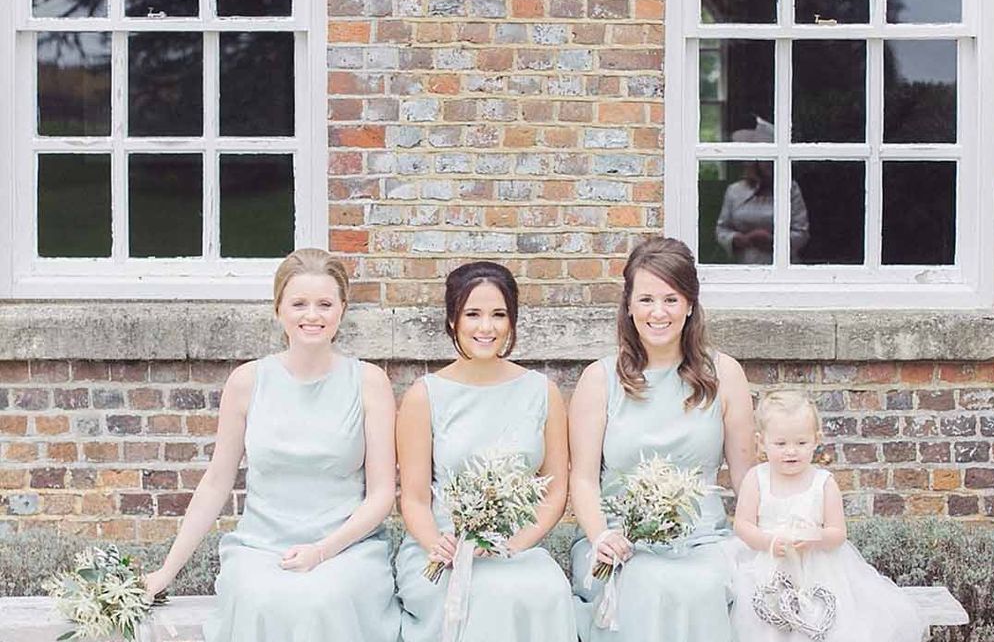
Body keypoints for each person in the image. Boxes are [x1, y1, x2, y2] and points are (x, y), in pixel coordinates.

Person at [142, 248, 400, 642]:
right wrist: (166, 571)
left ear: (342, 310)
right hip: (262, 549)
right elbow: (216, 483)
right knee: (259, 599)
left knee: (322, 599)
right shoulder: (247, 382)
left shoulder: (369, 383)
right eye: (299, 303)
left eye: (324, 304)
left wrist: (323, 551)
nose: (311, 315)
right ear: (278, 309)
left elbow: (382, 494)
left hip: (345, 550)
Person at [570, 235, 755, 642]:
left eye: (671, 300)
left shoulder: (725, 374)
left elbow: (746, 478)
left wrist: (766, 536)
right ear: (630, 306)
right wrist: (601, 535)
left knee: (703, 587)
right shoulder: (599, 380)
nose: (659, 312)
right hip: (622, 542)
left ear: (690, 305)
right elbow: (582, 479)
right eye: (647, 299)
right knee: (648, 585)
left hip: (704, 541)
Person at [394, 260, 577, 642]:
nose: (486, 327)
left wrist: (514, 544)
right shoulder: (424, 396)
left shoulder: (542, 393)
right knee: (487, 595)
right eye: (472, 314)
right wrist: (435, 542)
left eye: (498, 315)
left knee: (547, 590)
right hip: (443, 549)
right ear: (452, 320)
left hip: (517, 548)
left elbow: (556, 490)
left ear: (512, 321)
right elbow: (412, 498)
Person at [731, 390, 926, 642]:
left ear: (816, 440)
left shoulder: (823, 483)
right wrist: (768, 542)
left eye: (801, 443)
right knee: (765, 623)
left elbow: (838, 533)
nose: (791, 451)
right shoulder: (756, 478)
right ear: (761, 442)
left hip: (817, 567)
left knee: (828, 623)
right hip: (765, 565)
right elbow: (742, 524)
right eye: (780, 444)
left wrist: (816, 538)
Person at [715, 121, 809, 264]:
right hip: (745, 265)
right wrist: (741, 240)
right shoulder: (735, 191)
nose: (769, 165)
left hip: (782, 266)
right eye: (765, 160)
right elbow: (722, 229)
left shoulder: (790, 189)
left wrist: (771, 241)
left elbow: (801, 232)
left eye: (772, 161)